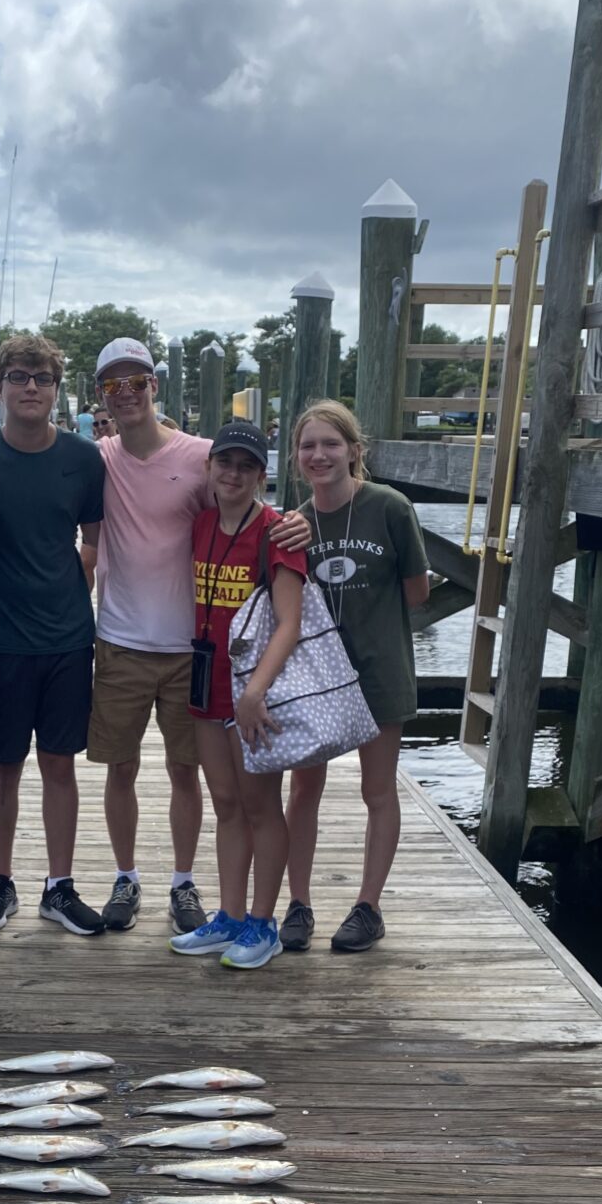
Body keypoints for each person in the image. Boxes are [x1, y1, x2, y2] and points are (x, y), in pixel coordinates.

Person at [269, 400, 430, 952]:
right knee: (304, 786)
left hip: (379, 670)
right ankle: (299, 903)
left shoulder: (390, 508)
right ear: (296, 458)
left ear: (355, 451)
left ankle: (368, 906)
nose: (319, 455)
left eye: (331, 444)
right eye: (308, 446)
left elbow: (417, 591)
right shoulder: (294, 523)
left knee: (377, 789)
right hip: (316, 677)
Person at [0, 331, 107, 937]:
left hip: (68, 640)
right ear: (0, 386)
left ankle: (59, 885)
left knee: (59, 764)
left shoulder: (82, 458)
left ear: (56, 389)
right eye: (19, 377)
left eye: (42, 379)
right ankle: (1, 881)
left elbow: (92, 545)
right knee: (3, 767)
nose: (31, 387)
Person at [86, 335, 211, 936]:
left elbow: (243, 517)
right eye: (114, 384)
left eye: (137, 382)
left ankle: (184, 882)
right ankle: (126, 875)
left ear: (155, 386)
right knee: (121, 769)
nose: (127, 393)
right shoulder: (97, 458)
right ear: (100, 397)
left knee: (187, 771)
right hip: (120, 641)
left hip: (190, 647)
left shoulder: (202, 456)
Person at [171, 422, 306, 969]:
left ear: (262, 476)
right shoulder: (201, 524)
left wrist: (256, 691)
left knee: (259, 805)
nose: (232, 473)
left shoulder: (277, 532)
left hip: (253, 691)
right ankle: (228, 914)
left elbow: (290, 622)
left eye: (246, 466)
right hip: (207, 683)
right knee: (225, 803)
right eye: (224, 462)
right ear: (209, 468)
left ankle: (263, 922)